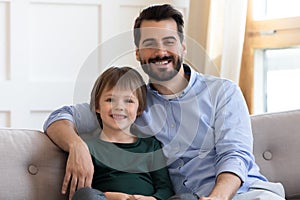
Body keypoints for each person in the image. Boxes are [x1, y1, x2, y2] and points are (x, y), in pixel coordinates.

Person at [44, 4, 286, 200]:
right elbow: (60, 117)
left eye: (169, 42)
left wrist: (216, 199)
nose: (160, 52)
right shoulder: (131, 104)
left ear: (182, 47)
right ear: (138, 53)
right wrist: (77, 146)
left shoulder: (223, 92)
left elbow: (235, 155)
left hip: (245, 194)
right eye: (149, 44)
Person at [71, 66, 174, 200]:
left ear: (139, 109)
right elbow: (81, 187)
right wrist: (108, 196)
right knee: (85, 195)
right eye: (110, 100)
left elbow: (165, 189)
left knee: (187, 198)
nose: (119, 107)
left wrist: (151, 199)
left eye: (129, 101)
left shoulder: (151, 145)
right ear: (97, 106)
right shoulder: (87, 146)